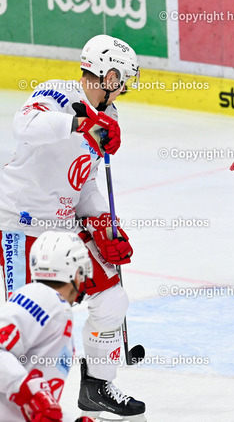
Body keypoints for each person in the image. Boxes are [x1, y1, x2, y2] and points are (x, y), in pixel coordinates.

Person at [0, 35, 145, 420]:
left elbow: (86, 181)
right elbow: (23, 125)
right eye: (122, 81)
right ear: (108, 75)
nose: (124, 88)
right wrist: (81, 123)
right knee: (29, 328)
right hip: (20, 223)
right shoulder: (57, 94)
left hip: (64, 224)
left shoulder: (110, 118)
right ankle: (21, 407)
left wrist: (103, 225)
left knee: (112, 299)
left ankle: (97, 387)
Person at [0, 231, 92, 421]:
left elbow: (37, 409)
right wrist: (31, 392)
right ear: (76, 274)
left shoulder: (47, 301)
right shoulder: (46, 298)